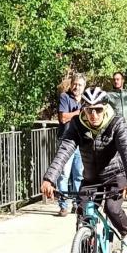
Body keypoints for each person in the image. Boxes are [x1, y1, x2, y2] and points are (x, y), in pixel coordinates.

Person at [42, 87, 127, 253]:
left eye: (98, 110)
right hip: (91, 179)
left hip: (115, 176)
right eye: (89, 110)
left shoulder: (116, 123)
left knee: (112, 208)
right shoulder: (77, 125)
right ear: (84, 110)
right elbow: (64, 151)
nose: (94, 115)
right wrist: (49, 179)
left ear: (105, 108)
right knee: (83, 214)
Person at [56, 73, 85, 217]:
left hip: (81, 142)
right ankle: (63, 205)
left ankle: (77, 203)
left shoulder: (86, 101)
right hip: (66, 140)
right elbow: (63, 118)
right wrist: (79, 113)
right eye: (75, 84)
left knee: (79, 175)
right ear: (71, 84)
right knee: (64, 175)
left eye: (80, 85)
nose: (76, 87)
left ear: (83, 87)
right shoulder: (64, 97)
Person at [109, 72, 127, 142]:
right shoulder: (109, 95)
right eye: (114, 80)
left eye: (118, 79)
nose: (116, 81)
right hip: (115, 128)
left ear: (122, 80)